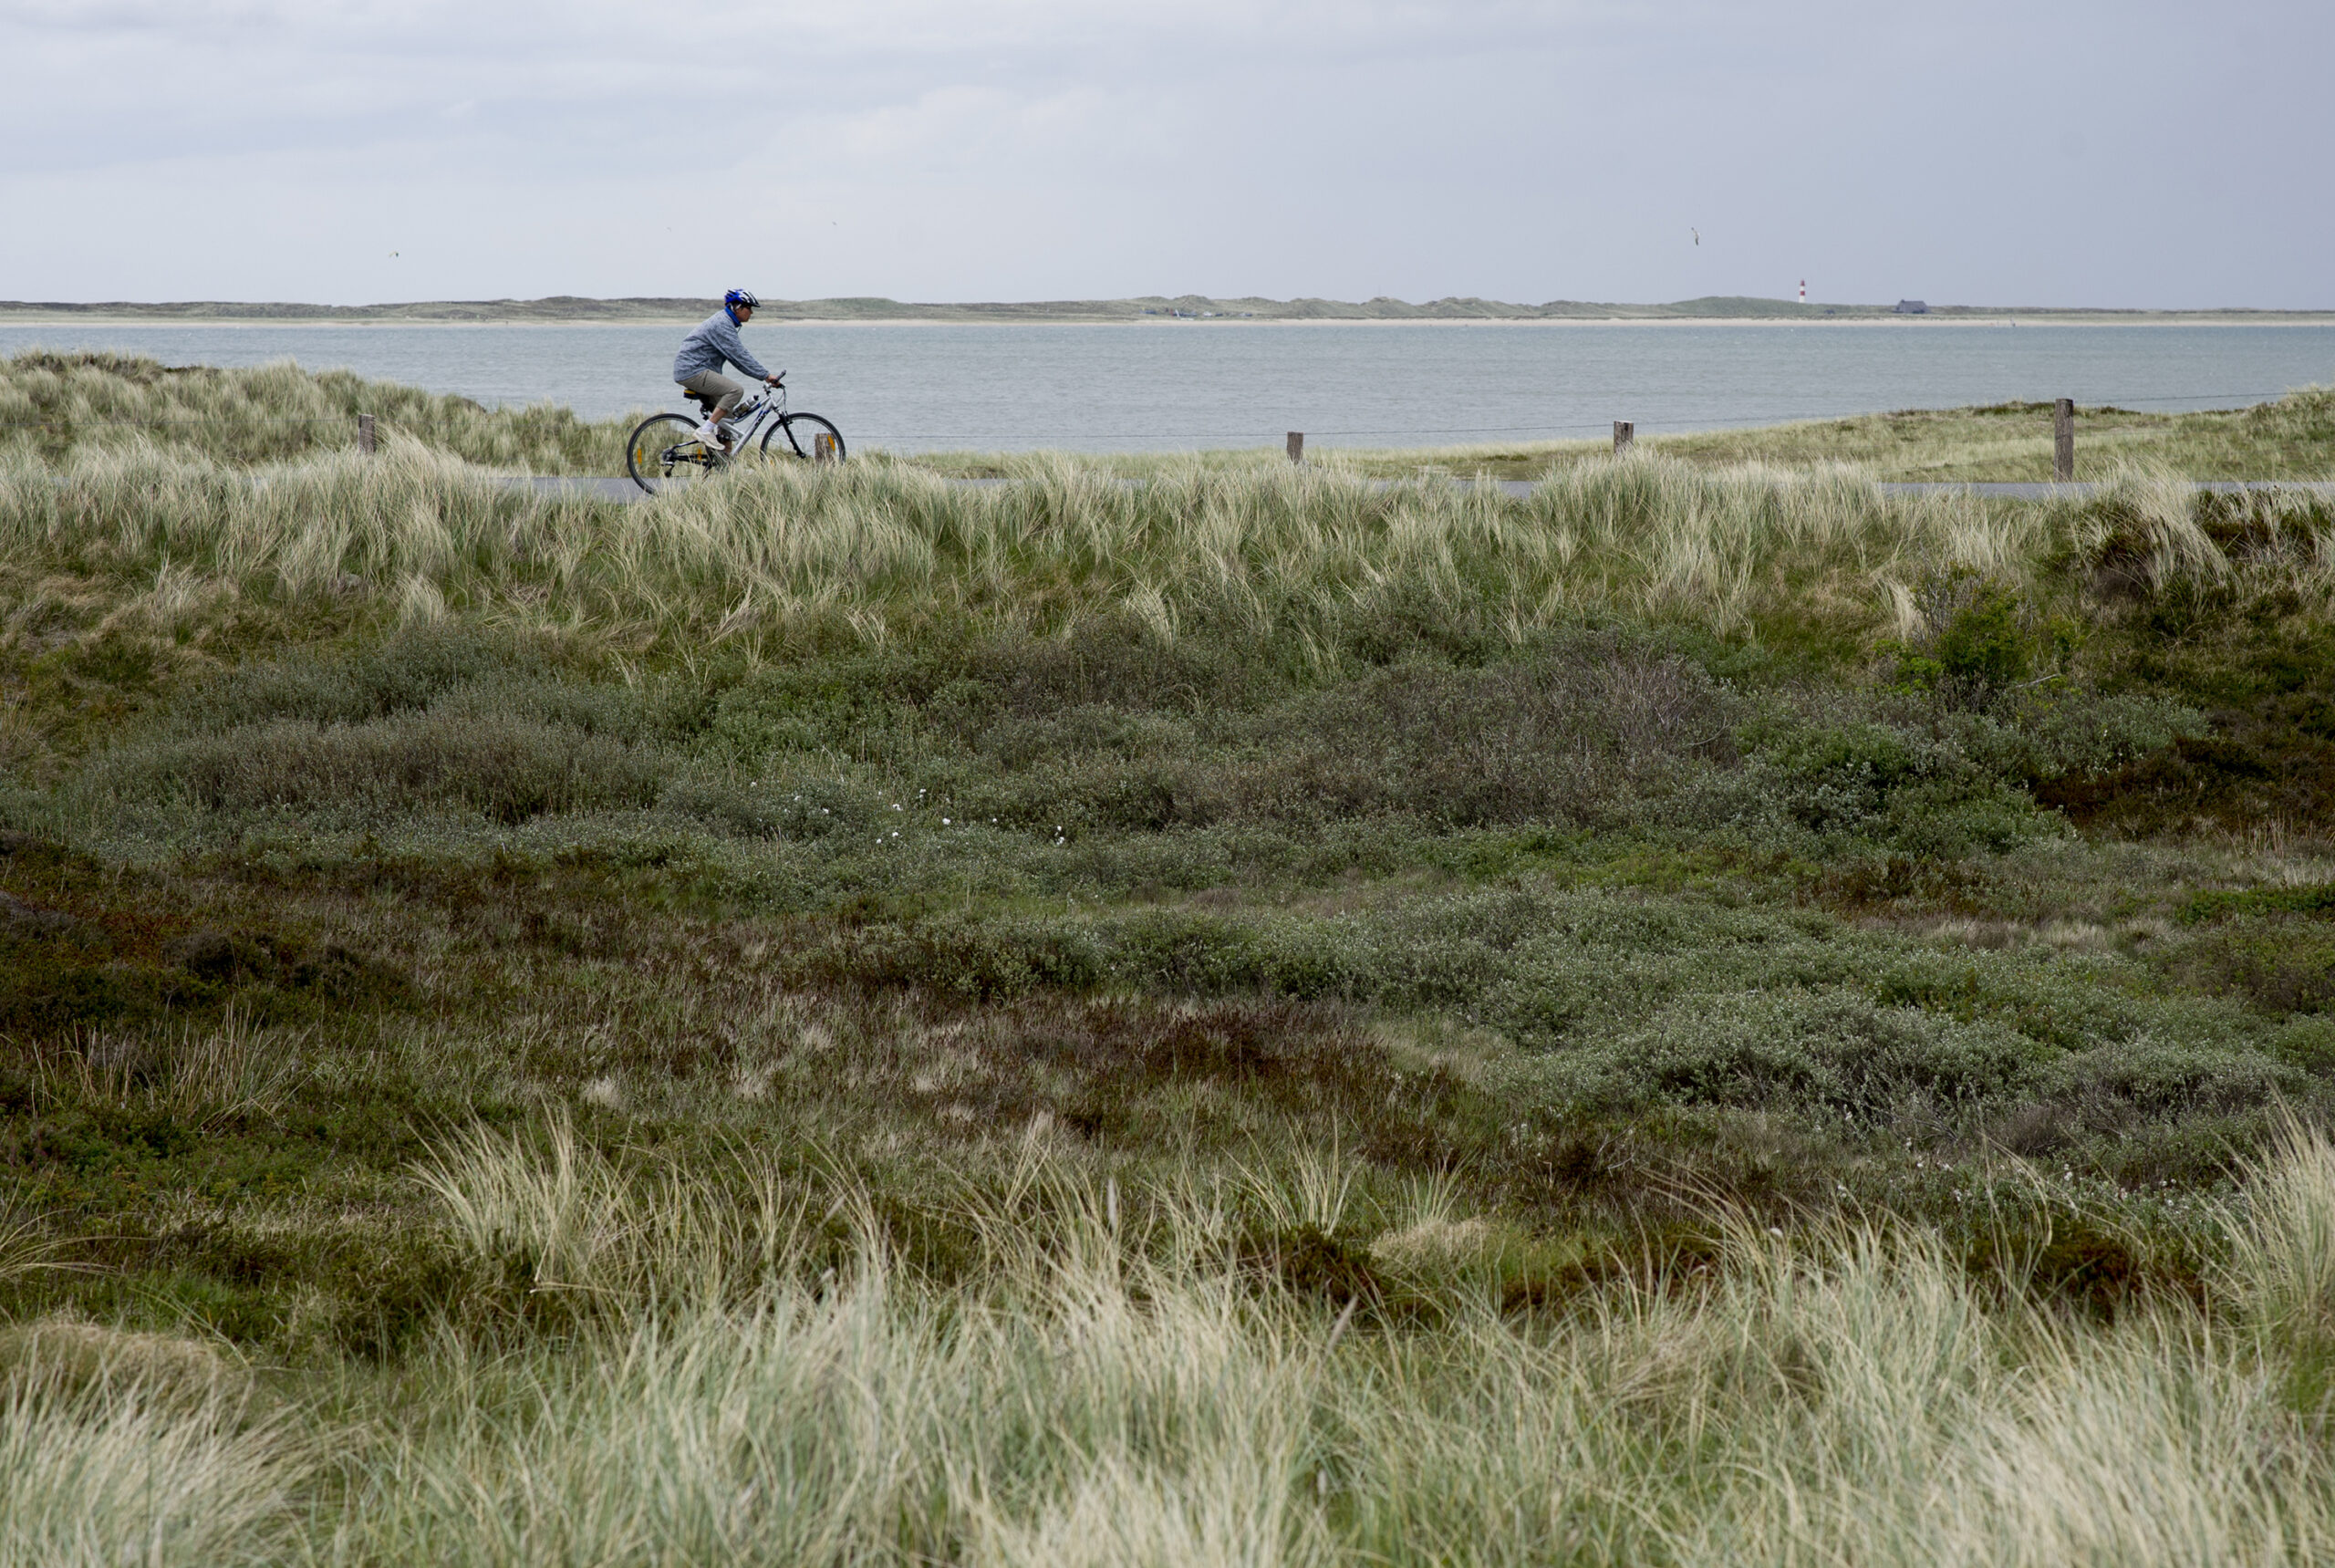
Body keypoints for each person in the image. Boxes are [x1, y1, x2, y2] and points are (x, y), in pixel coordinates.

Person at [673, 289, 782, 451]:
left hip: (696, 369)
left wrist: (762, 375)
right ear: (737, 307)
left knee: (728, 418)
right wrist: (766, 376)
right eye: (749, 308)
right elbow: (740, 356)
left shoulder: (726, 323)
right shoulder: (722, 324)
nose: (751, 312)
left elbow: (736, 359)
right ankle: (705, 430)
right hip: (692, 370)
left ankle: (724, 467)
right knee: (735, 390)